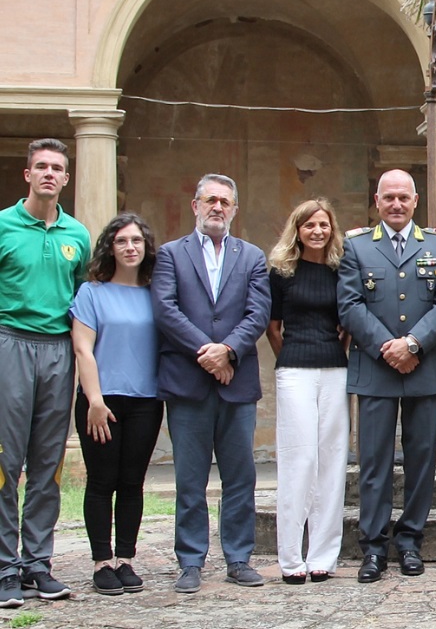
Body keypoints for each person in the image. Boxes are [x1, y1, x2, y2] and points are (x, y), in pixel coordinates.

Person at [150, 173, 271, 594]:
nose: (217, 207)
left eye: (225, 201)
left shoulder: (252, 256)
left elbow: (258, 313)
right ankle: (190, 561)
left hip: (236, 383)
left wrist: (229, 352)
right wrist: (209, 352)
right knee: (190, 477)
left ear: (235, 209)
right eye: (210, 200)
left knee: (241, 476)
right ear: (195, 205)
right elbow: (165, 310)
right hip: (189, 383)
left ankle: (238, 558)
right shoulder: (170, 254)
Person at [337, 169, 436, 584]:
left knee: (423, 460)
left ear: (415, 200)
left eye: (403, 198)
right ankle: (373, 548)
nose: (396, 204)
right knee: (374, 462)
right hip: (375, 368)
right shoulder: (355, 246)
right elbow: (349, 305)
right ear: (377, 200)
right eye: (388, 197)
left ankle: (410, 542)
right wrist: (389, 346)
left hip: (424, 367)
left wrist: (412, 344)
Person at [0, 138, 90, 608]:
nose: (49, 174)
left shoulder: (77, 234)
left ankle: (38, 563)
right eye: (41, 166)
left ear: (66, 178)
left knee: (47, 463)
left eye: (57, 167)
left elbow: (80, 303)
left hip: (57, 350)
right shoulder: (3, 226)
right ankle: (4, 567)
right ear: (27, 175)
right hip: (9, 342)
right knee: (4, 461)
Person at [70, 213, 164, 596]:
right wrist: (94, 399)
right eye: (122, 241)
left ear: (146, 248)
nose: (130, 248)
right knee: (101, 481)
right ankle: (101, 562)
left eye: (137, 241)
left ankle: (125, 559)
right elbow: (83, 348)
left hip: (145, 401)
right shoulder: (92, 292)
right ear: (110, 247)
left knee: (131, 483)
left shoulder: (156, 294)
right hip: (101, 402)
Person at [266, 198, 349, 584]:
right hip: (295, 371)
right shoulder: (281, 272)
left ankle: (323, 556)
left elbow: (346, 323)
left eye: (324, 224)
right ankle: (290, 559)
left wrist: (334, 349)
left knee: (332, 460)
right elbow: (273, 327)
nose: (317, 231)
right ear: (296, 230)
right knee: (300, 460)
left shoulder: (340, 270)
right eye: (309, 225)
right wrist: (293, 358)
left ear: (332, 229)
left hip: (334, 370)